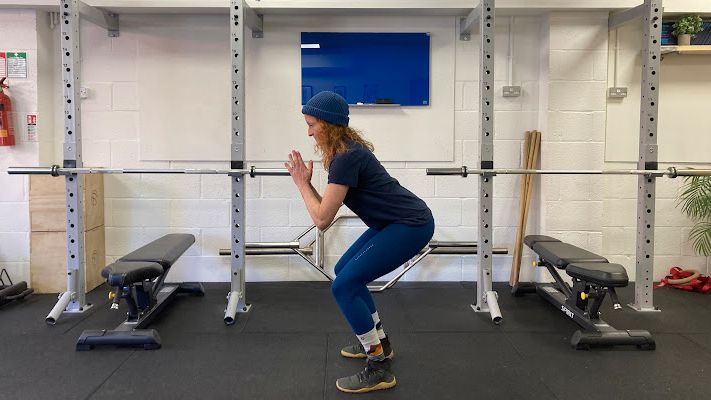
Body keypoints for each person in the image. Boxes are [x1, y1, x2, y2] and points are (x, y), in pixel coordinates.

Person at [284, 91, 435, 393]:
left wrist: (301, 184)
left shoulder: (345, 158)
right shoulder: (344, 152)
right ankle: (380, 343)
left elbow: (321, 220)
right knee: (344, 271)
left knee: (343, 286)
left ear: (328, 124)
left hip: (410, 225)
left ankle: (379, 368)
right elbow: (325, 210)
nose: (309, 131)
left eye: (312, 124)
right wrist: (307, 185)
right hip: (392, 223)